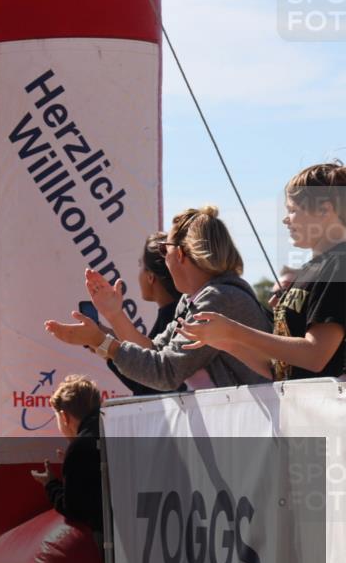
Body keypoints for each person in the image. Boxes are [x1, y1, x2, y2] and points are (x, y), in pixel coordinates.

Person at [45, 206, 272, 391]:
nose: (164, 259)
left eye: (165, 250)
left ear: (180, 254)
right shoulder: (196, 298)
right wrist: (114, 314)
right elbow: (155, 350)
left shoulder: (219, 299)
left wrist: (101, 342)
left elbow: (165, 373)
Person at [179, 162, 346, 380]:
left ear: (325, 209)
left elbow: (315, 355)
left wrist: (235, 331)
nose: (286, 219)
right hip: (304, 409)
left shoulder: (338, 264)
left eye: (293, 210)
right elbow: (277, 369)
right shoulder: (311, 270)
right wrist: (226, 342)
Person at [95, 232, 184, 396]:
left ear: (150, 277)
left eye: (140, 266)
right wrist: (103, 339)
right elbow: (146, 354)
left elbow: (147, 380)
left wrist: (101, 343)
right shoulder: (177, 314)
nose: (139, 274)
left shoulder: (175, 318)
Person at [30, 375, 103, 539]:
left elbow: (74, 509)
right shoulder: (117, 429)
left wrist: (51, 483)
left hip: (110, 545)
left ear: (64, 417)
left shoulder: (79, 448)